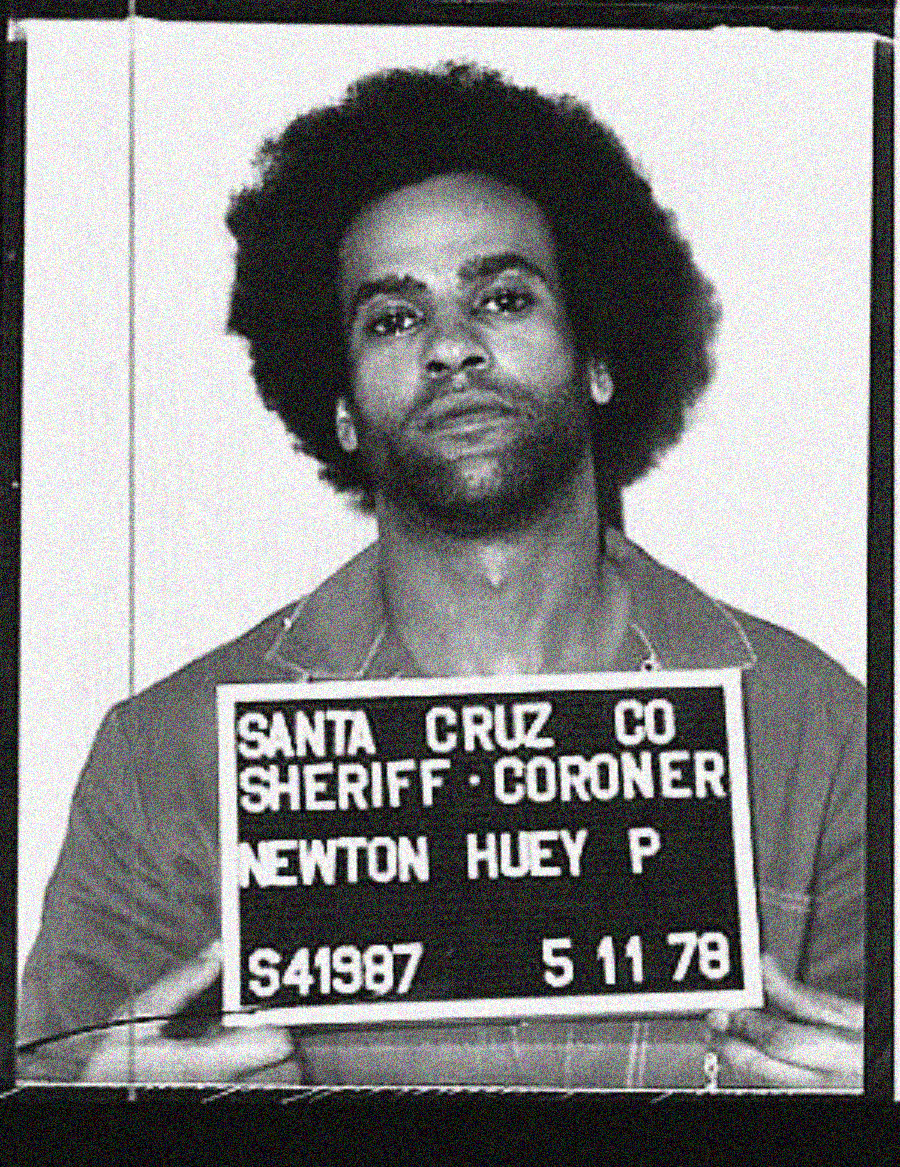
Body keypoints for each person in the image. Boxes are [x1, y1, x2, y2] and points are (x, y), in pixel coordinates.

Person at [18, 63, 864, 1089]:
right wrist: (91, 1121)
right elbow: (45, 1094)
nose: (453, 346)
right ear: (337, 406)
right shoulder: (162, 765)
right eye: (392, 317)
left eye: (503, 298)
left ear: (598, 355)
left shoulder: (826, 738)